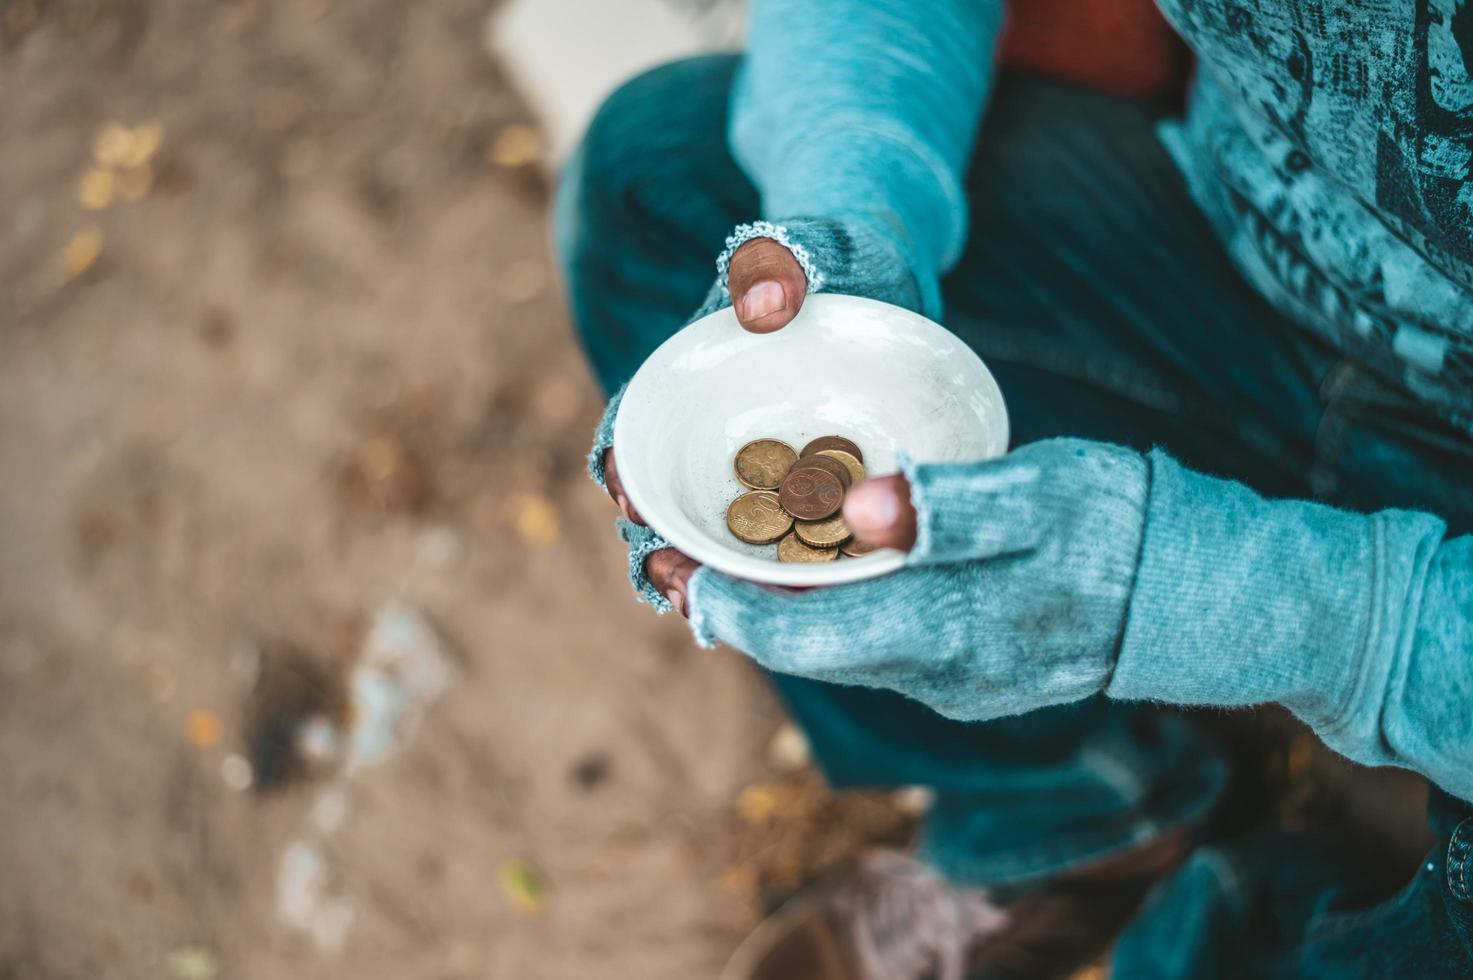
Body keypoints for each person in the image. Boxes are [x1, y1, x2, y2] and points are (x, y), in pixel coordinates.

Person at [554, 0, 1473, 976]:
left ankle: (1238, 923)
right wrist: (855, 210)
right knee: (656, 183)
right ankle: (1073, 816)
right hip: (1244, 248)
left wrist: (1265, 605)